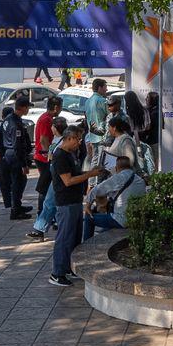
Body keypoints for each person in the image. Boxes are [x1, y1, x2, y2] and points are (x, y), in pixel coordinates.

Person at [46, 123, 108, 287]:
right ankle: (57, 273)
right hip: (65, 203)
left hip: (74, 201)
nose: (80, 142)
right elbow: (68, 181)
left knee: (73, 237)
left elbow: (76, 174)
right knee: (64, 238)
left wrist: (90, 172)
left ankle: (68, 268)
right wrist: (90, 174)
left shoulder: (71, 154)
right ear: (69, 138)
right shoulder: (60, 155)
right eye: (78, 139)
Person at [83, 138, 145, 241]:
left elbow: (95, 190)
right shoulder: (139, 180)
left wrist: (87, 206)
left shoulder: (119, 178)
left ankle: (85, 246)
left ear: (117, 167)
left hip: (121, 220)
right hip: (136, 219)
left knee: (89, 218)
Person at [26, 115, 68, 242]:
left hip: (59, 176)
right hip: (54, 174)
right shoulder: (57, 139)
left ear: (55, 127)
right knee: (52, 203)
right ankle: (44, 228)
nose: (50, 128)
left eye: (52, 126)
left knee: (50, 202)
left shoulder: (63, 142)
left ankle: (40, 230)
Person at [0, 96, 34, 219]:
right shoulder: (15, 124)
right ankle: (15, 210)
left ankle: (17, 205)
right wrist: (24, 164)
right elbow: (17, 146)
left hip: (9, 154)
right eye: (27, 107)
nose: (28, 110)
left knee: (19, 182)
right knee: (18, 183)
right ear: (22, 108)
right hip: (14, 156)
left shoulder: (9, 119)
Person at [32, 96, 62, 221]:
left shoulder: (47, 118)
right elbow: (43, 139)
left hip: (44, 157)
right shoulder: (46, 120)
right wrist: (50, 156)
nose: (61, 109)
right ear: (56, 107)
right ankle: (41, 214)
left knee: (48, 187)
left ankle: (48, 214)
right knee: (45, 188)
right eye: (60, 107)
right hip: (44, 158)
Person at [84, 77, 111, 165]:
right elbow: (110, 116)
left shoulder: (87, 101)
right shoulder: (102, 101)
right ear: (99, 88)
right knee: (102, 161)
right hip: (103, 136)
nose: (106, 89)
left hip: (92, 136)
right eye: (105, 87)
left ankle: (92, 174)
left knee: (95, 159)